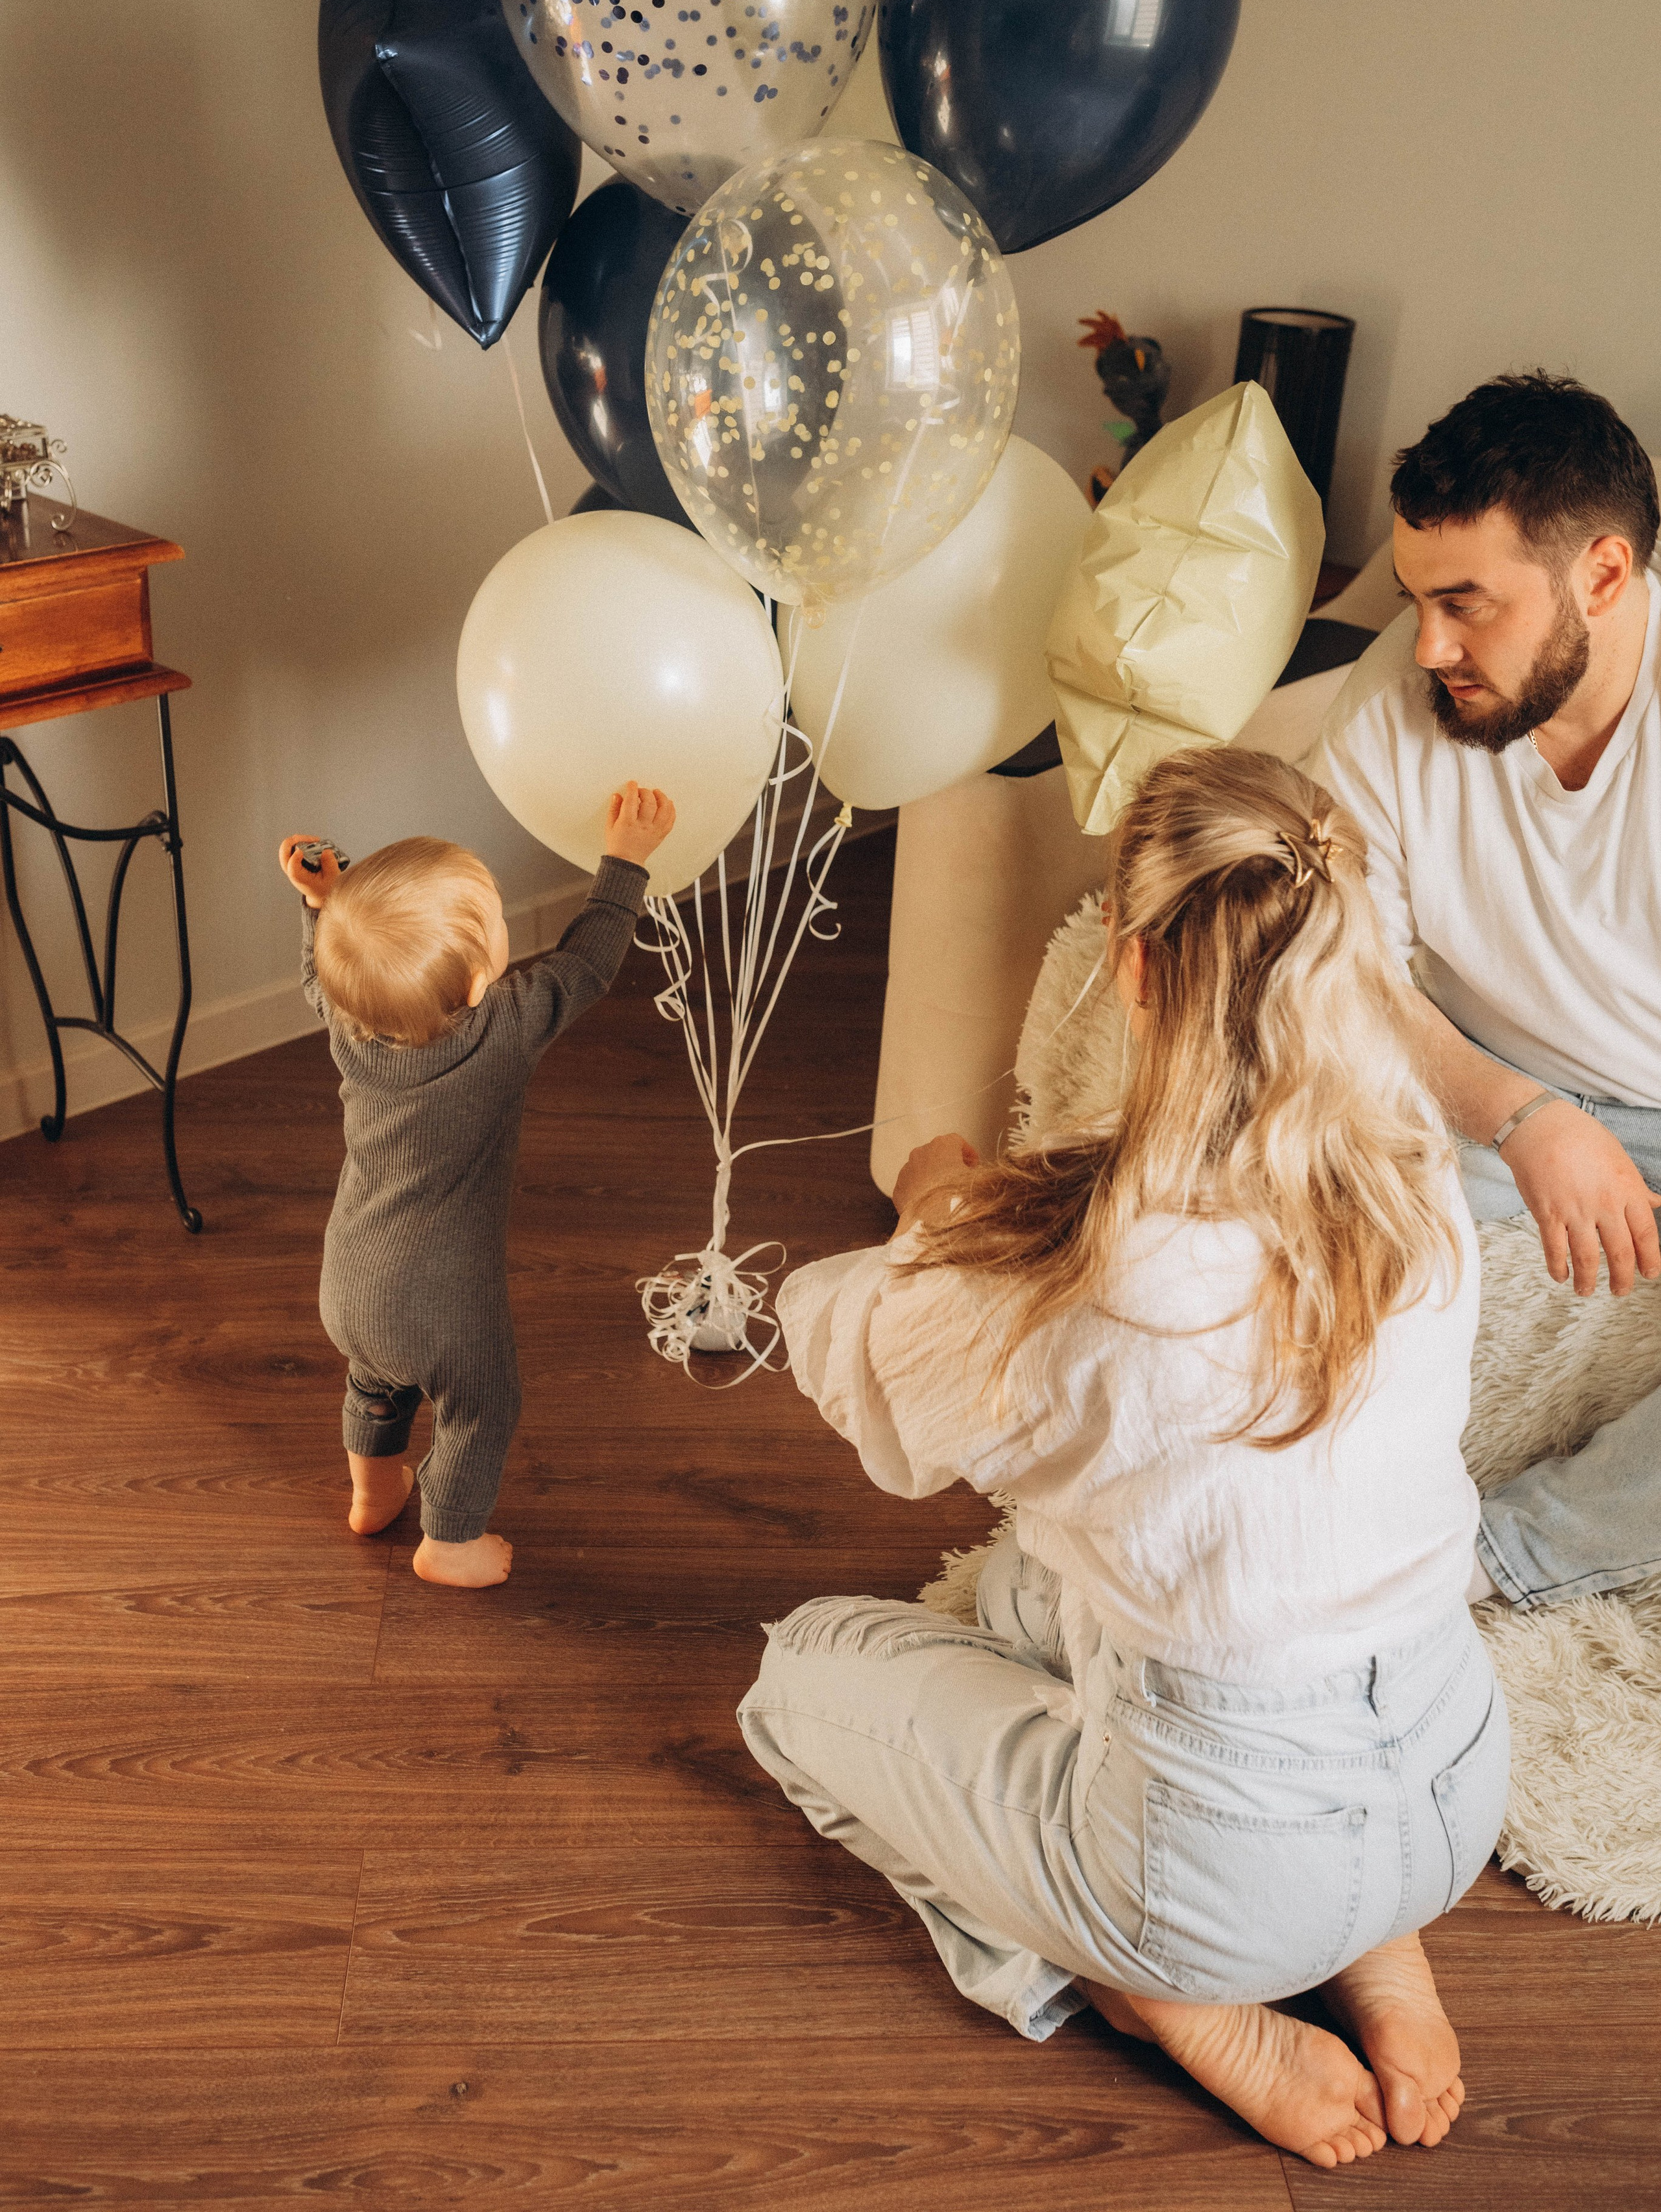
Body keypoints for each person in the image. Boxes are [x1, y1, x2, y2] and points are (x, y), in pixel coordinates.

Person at [740, 747, 1508, 2170]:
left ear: (1134, 964)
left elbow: (868, 1392)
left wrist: (925, 1210)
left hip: (1218, 1869)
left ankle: (1153, 1994)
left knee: (799, 1675)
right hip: (1459, 1779)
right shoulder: (1417, 1185)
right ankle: (1378, 1940)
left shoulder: (1081, 1270)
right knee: (1041, 1605)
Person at [1308, 372, 1661, 1609]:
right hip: (1476, 1086)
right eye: (1417, 601)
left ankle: (1483, 1561)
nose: (1430, 648)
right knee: (1267, 1195)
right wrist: (1519, 1112)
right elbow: (1344, 976)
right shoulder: (1393, 714)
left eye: (1467, 605)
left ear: (1604, 576)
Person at [279, 782, 674, 1586]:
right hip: (444, 1298)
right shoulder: (501, 1029)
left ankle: (372, 1493)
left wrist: (325, 905)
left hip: (347, 1280)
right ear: (470, 987)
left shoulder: (348, 1024)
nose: (505, 932)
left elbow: (327, 973)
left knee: (375, 1380)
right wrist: (625, 863)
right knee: (480, 1406)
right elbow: (585, 965)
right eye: (496, 924)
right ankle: (449, 1539)